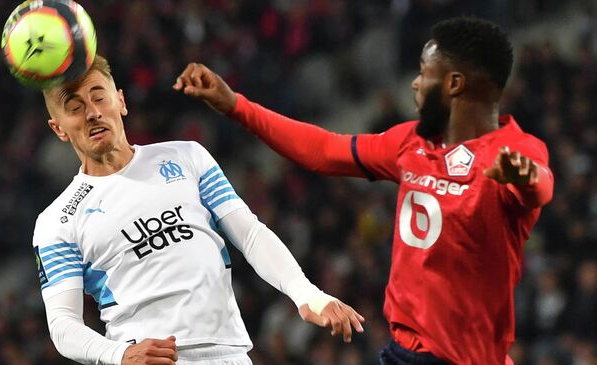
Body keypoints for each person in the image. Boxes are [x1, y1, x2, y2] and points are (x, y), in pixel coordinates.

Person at [174, 16, 554, 365]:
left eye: (425, 73)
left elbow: (540, 187)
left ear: (454, 84)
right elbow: (323, 151)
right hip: (405, 353)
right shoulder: (411, 143)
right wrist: (236, 106)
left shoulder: (514, 152)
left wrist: (524, 177)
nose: (415, 82)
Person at [32, 54, 365, 365]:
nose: (92, 112)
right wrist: (120, 355)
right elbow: (63, 325)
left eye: (98, 97)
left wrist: (306, 292)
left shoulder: (186, 157)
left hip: (230, 354)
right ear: (58, 128)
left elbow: (249, 233)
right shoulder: (57, 221)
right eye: (74, 107)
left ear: (120, 100)